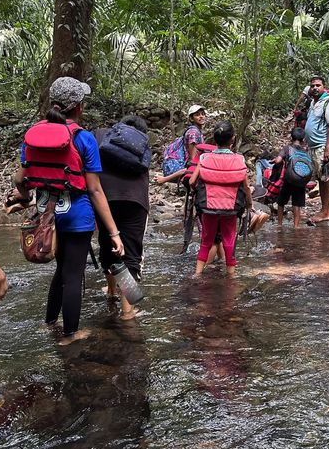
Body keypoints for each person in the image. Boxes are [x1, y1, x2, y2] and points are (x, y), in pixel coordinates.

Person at [15, 76, 124, 345]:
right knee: (73, 274)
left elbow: (20, 179)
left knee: (60, 270)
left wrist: (29, 196)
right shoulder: (83, 138)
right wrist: (114, 232)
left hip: (46, 216)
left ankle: (49, 323)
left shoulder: (33, 135)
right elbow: (95, 190)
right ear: (79, 107)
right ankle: (70, 335)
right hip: (76, 215)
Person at [94, 115, 150, 320]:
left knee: (107, 242)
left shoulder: (101, 135)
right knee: (132, 253)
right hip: (135, 201)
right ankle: (128, 311)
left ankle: (111, 291)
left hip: (103, 198)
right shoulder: (142, 144)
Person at [189, 120, 253, 276]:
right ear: (232, 139)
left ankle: (197, 274)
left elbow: (192, 181)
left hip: (208, 206)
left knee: (206, 241)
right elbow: (245, 187)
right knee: (229, 241)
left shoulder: (204, 159)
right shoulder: (239, 160)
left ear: (214, 139)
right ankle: (231, 275)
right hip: (231, 208)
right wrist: (249, 204)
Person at [304, 75, 329, 222]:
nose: (315, 88)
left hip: (323, 146)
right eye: (312, 86)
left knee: (324, 178)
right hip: (314, 146)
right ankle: (324, 210)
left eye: (318, 85)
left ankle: (325, 211)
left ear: (324, 87)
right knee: (320, 177)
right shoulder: (313, 103)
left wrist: (328, 147)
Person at [155, 104, 206, 184]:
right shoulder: (193, 133)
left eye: (203, 114)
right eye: (197, 115)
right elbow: (193, 158)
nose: (201, 116)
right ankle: (164, 179)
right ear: (191, 119)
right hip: (182, 167)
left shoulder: (196, 131)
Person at [274, 128, 309, 228]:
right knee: (297, 204)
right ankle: (296, 227)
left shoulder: (287, 148)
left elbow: (278, 161)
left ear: (291, 137)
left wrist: (277, 160)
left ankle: (279, 225)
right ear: (303, 139)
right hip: (301, 180)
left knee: (281, 203)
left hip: (288, 180)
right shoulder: (305, 151)